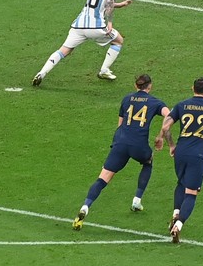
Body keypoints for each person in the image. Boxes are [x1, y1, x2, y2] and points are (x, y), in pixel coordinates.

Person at [72, 74, 173, 230]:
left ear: (135, 86)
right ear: (150, 86)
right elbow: (169, 115)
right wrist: (160, 136)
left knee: (103, 177)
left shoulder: (126, 99)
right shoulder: (155, 102)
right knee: (148, 161)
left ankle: (85, 207)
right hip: (138, 145)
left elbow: (120, 124)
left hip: (120, 143)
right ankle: (136, 200)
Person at [32, 0, 131, 86]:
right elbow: (109, 3)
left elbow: (98, 1)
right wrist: (110, 23)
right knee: (118, 40)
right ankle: (104, 70)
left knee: (64, 50)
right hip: (96, 26)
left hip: (79, 24)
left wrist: (120, 5)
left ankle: (41, 73)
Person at [158, 77, 203, 244]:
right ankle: (178, 225)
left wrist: (172, 145)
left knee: (181, 183)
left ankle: (175, 213)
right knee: (191, 193)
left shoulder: (182, 105)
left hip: (181, 151)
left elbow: (166, 127)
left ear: (192, 88)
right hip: (198, 155)